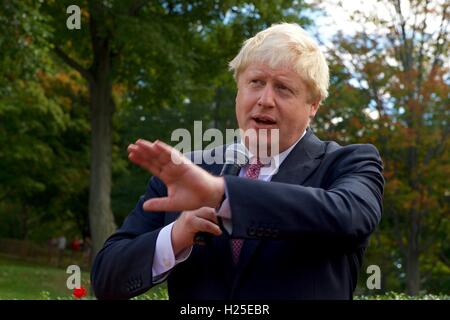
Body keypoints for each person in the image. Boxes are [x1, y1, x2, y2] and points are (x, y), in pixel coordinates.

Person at [91, 23, 384, 300]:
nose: (265, 99)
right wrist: (175, 237)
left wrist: (223, 195)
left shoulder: (350, 163)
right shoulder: (184, 172)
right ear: (238, 91)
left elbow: (350, 217)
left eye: (283, 88)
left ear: (313, 106)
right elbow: (106, 279)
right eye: (255, 82)